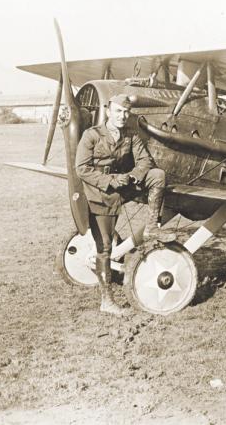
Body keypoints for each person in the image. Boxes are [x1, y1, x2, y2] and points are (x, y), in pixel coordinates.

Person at [75, 93, 176, 315]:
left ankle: (151, 228)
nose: (123, 116)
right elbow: (81, 169)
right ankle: (107, 301)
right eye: (119, 111)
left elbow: (145, 162)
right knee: (105, 248)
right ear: (109, 111)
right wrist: (110, 180)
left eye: (126, 112)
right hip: (101, 192)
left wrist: (131, 177)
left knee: (157, 175)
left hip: (125, 184)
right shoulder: (91, 135)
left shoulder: (131, 136)